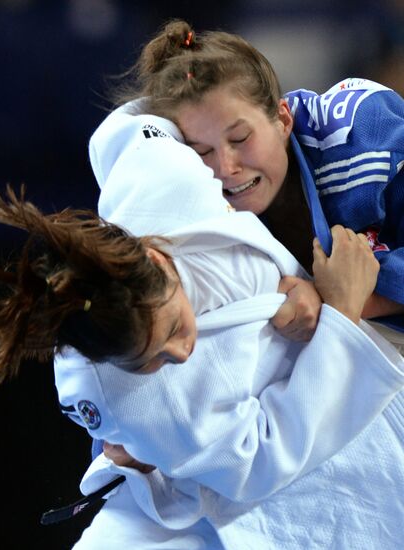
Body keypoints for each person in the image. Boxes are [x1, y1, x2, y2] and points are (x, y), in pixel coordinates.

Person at [58, 107, 402, 548]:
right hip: (240, 475)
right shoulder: (135, 396)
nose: (181, 352)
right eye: (153, 359)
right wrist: (341, 314)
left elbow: (124, 129)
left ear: (156, 257)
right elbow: (266, 455)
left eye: (173, 328)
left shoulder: (159, 181)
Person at [113, 19, 404, 348]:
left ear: (282, 118)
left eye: (240, 138)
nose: (226, 167)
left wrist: (340, 304)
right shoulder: (184, 203)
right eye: (202, 151)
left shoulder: (365, 135)